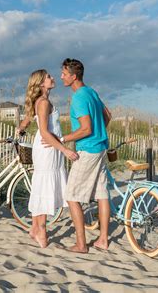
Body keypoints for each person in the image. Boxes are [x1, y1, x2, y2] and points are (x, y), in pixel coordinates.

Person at [17, 69, 79, 248]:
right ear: (41, 83)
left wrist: (21, 128)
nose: (53, 78)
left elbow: (29, 117)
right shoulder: (43, 102)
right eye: (49, 77)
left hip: (49, 147)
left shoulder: (41, 101)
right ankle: (41, 231)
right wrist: (65, 150)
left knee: (41, 186)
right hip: (48, 148)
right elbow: (44, 132)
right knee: (44, 187)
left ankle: (35, 228)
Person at [58, 58, 112, 253]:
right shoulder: (91, 91)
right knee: (101, 194)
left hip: (88, 150)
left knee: (72, 196)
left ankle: (81, 244)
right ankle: (103, 240)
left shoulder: (79, 97)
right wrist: (100, 132)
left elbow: (86, 129)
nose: (61, 76)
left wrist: (63, 139)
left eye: (64, 73)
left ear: (73, 77)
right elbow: (108, 114)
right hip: (100, 148)